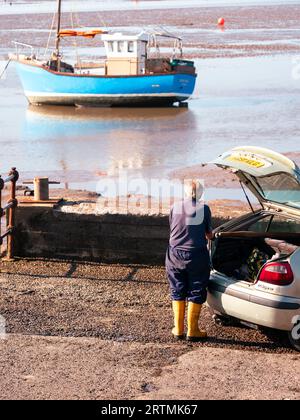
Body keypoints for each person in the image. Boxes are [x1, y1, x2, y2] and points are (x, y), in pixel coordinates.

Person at [166, 180, 214, 342]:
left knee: (177, 288)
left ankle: (178, 329)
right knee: (196, 288)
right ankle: (193, 330)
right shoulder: (204, 208)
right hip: (196, 255)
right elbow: (209, 234)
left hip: (174, 253)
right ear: (201, 193)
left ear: (185, 192)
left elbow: (174, 227)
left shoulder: (175, 206)